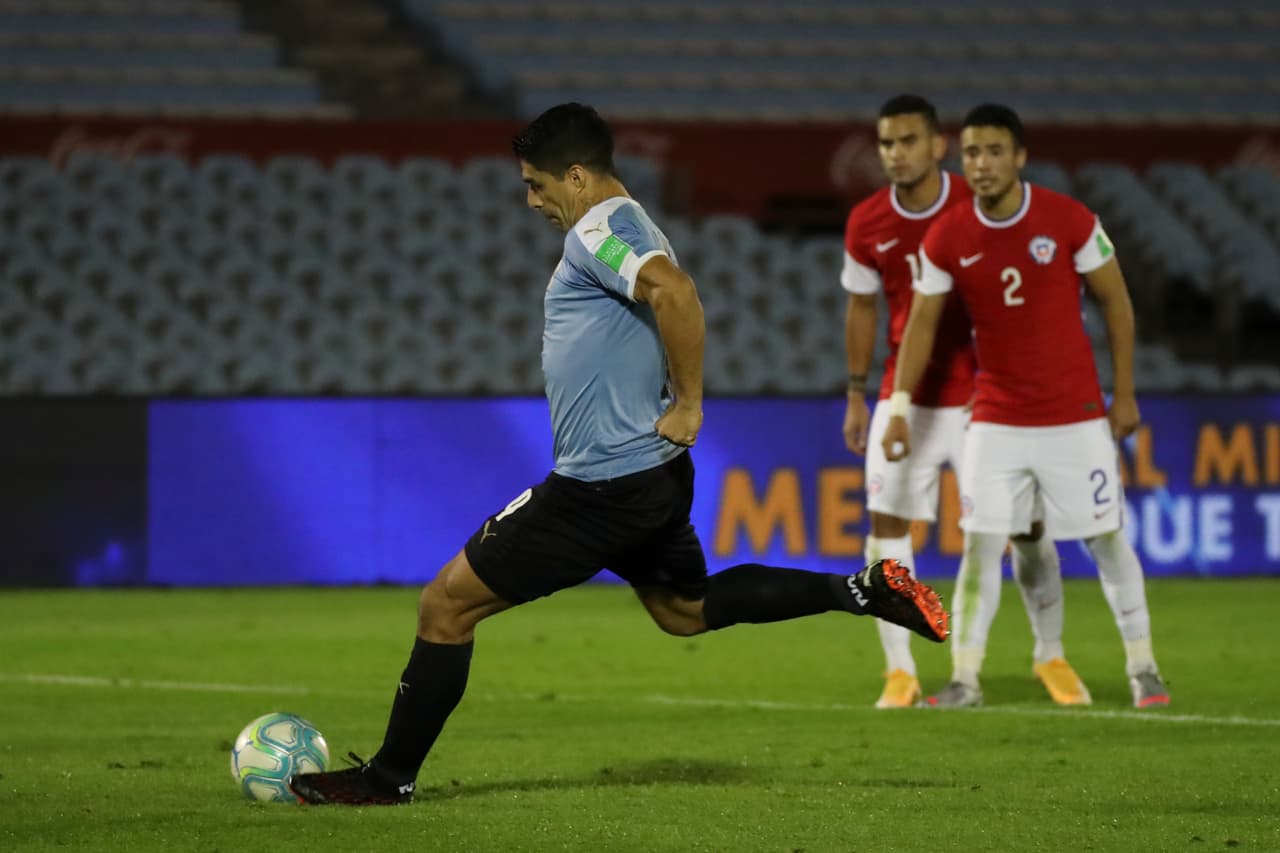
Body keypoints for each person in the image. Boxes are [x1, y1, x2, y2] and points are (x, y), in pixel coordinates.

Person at [289, 103, 950, 806]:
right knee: (684, 609)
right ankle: (858, 589)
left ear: (575, 177)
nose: (531, 199)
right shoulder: (626, 224)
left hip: (598, 488)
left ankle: (389, 777)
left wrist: (691, 401)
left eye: (538, 184)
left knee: (444, 606)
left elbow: (676, 291)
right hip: (650, 477)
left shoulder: (600, 228)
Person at [883, 103, 1170, 710]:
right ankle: (965, 677)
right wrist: (902, 404)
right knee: (983, 543)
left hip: (1075, 416)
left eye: (993, 153)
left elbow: (1117, 302)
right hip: (996, 418)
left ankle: (1143, 666)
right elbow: (921, 326)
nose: (981, 165)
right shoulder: (950, 235)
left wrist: (1125, 392)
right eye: (971, 155)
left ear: (1019, 157)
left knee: (1107, 540)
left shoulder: (1068, 220)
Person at [842, 95, 1086, 709]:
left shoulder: (975, 205)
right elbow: (863, 307)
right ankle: (900, 671)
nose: (895, 154)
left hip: (988, 396)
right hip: (908, 399)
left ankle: (1049, 654)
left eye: (907, 141)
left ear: (937, 146)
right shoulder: (867, 222)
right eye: (886, 143)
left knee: (1028, 528)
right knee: (887, 529)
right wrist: (856, 393)